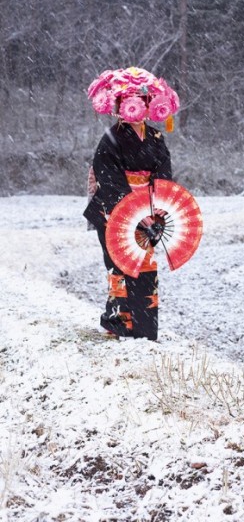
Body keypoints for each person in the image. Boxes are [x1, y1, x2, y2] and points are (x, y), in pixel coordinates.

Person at [84, 67, 179, 341]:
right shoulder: (110, 139)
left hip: (147, 213)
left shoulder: (156, 139)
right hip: (114, 211)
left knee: (146, 267)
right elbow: (109, 179)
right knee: (120, 265)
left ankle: (145, 329)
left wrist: (158, 212)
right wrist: (133, 211)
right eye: (132, 101)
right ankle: (118, 324)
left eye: (144, 100)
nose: (139, 107)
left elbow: (163, 176)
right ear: (120, 105)